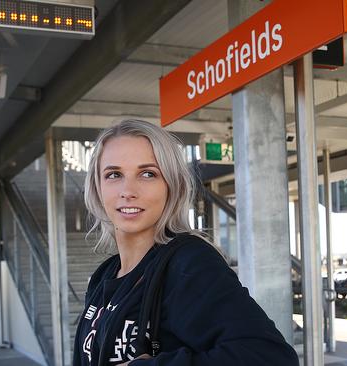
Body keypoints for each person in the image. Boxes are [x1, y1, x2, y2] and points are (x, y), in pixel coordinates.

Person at [73, 119, 298, 366]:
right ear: (97, 187)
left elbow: (270, 357)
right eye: (114, 174)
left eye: (148, 174)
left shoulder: (188, 263)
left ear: (172, 186)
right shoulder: (104, 275)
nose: (128, 190)